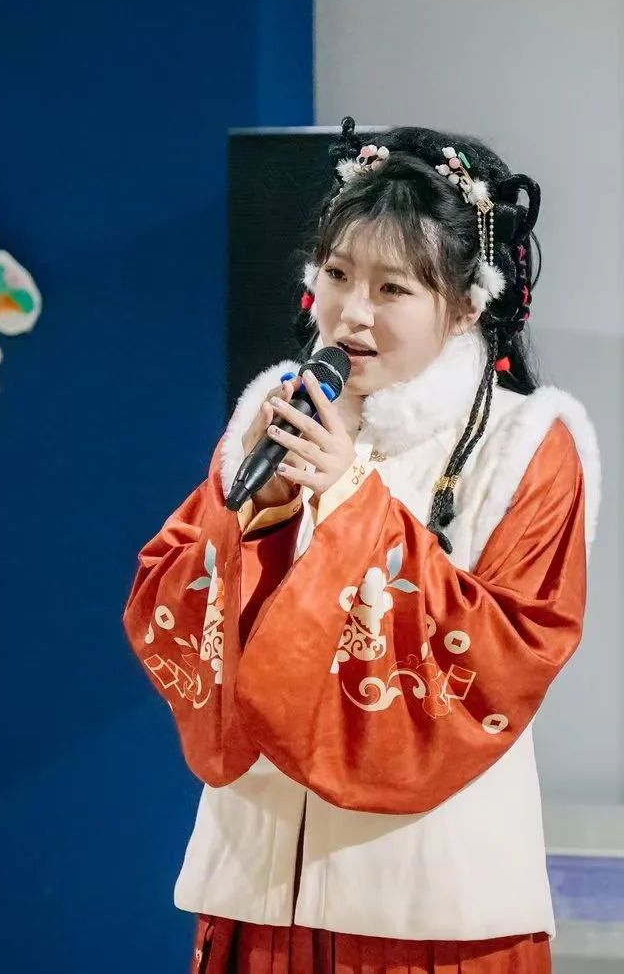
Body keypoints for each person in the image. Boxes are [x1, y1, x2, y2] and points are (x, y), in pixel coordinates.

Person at [122, 119, 599, 972]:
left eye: (392, 288)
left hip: (432, 910)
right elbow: (168, 604)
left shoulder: (527, 442)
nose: (351, 312)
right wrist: (256, 517)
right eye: (338, 274)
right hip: (258, 887)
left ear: (467, 302)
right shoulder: (277, 414)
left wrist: (348, 500)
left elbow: (508, 654)